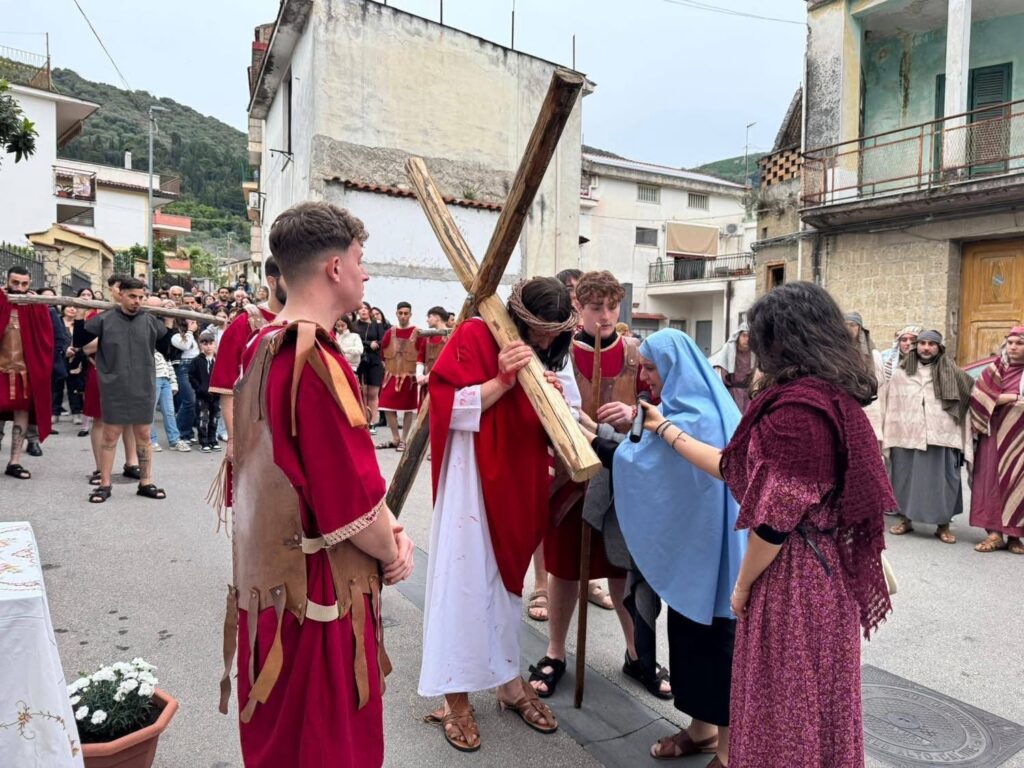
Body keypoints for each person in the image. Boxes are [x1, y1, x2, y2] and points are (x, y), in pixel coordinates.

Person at [641, 281, 894, 767]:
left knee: (784, 708)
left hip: (798, 581)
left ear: (779, 341)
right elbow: (733, 467)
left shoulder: (798, 411)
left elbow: (775, 523)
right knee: (816, 707)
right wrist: (665, 428)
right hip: (828, 577)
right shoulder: (831, 396)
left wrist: (742, 585)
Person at [224, 201, 413, 767]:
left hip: (272, 585)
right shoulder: (313, 360)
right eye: (360, 259)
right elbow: (349, 506)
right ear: (335, 267)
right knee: (324, 747)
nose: (365, 272)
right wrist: (393, 550)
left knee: (282, 741)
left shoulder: (261, 342)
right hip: (315, 592)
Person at [419, 277, 576, 752]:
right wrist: (503, 381)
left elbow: (541, 418)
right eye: (540, 331)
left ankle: (507, 682)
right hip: (471, 481)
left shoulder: (543, 352)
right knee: (463, 583)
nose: (546, 342)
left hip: (519, 480)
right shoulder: (474, 334)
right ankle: (455, 695)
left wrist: (548, 396)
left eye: (554, 334)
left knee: (504, 589)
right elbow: (444, 406)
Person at [608, 328, 745, 766]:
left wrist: (604, 442)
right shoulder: (687, 407)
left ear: (674, 366)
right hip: (696, 552)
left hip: (713, 557)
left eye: (651, 368)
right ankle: (702, 730)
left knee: (718, 648)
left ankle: (729, 752)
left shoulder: (698, 417)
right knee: (690, 642)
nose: (645, 376)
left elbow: (645, 466)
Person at [530, 270, 665, 701]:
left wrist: (634, 412)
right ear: (579, 308)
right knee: (565, 569)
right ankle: (555, 652)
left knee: (623, 569)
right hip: (570, 478)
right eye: (595, 308)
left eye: (611, 306)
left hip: (624, 476)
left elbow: (660, 407)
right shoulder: (561, 352)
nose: (605, 316)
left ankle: (637, 654)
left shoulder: (635, 354)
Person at [206, 256, 286, 516]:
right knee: (255, 518)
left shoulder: (312, 322)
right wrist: (234, 440)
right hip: (256, 433)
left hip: (296, 435)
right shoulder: (245, 323)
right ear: (272, 281)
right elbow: (229, 392)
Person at [83, 277, 174, 503]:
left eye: (141, 297)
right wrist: (78, 315)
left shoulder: (150, 321)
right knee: (110, 436)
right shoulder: (104, 320)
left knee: (143, 435)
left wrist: (170, 320)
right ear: (120, 294)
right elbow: (80, 343)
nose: (137, 301)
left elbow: (167, 349)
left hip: (143, 386)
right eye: (132, 296)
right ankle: (104, 484)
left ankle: (145, 483)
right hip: (114, 387)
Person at [883, 330, 974, 544]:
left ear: (939, 348)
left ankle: (943, 525)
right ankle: (905, 519)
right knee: (904, 479)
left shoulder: (954, 373)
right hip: (906, 434)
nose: (926, 348)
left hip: (942, 434)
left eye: (931, 344)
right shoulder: (901, 374)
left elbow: (966, 404)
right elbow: (891, 404)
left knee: (943, 482)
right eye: (922, 343)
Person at [969, 325, 1024, 555]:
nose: (1013, 347)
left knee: (1018, 483)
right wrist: (1012, 397)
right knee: (990, 481)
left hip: (1020, 440)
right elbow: (979, 398)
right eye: (1010, 343)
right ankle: (994, 533)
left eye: (1019, 343)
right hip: (993, 436)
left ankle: (1014, 536)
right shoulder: (993, 370)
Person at [0, 266, 54, 480]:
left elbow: (45, 339)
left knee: (22, 413)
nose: (19, 288)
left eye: (24, 283)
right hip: (1, 369)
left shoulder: (35, 305)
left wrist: (36, 305)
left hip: (23, 371)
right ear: (7, 280)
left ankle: (14, 462)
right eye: (15, 283)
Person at [376, 302, 418, 450]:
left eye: (406, 313)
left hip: (409, 377)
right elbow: (382, 353)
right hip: (391, 375)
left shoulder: (416, 332)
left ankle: (404, 440)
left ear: (410, 314)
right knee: (386, 405)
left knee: (408, 408)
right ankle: (395, 438)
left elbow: (422, 353)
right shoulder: (390, 332)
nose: (403, 316)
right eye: (400, 313)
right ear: (396, 314)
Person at [845, 311, 885, 442]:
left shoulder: (873, 355)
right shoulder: (837, 352)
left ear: (859, 328)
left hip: (867, 403)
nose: (849, 328)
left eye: (852, 325)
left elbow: (878, 381)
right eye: (845, 325)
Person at [354, 302, 386, 434]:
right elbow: (354, 340)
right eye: (361, 309)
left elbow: (383, 340)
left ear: (370, 311)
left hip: (374, 360)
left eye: (366, 308)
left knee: (373, 393)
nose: (363, 311)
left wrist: (375, 344)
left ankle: (372, 422)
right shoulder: (354, 325)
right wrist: (368, 343)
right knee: (361, 392)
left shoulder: (376, 325)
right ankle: (362, 420)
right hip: (359, 360)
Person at [709, 323, 756, 414]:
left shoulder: (754, 352)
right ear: (738, 336)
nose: (747, 339)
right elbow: (721, 372)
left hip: (749, 394)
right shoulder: (729, 350)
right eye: (744, 336)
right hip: (731, 394)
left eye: (749, 336)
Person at [189, 331, 220, 453]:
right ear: (200, 345)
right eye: (205, 343)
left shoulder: (218, 360)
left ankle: (213, 440)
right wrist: (199, 388)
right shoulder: (196, 361)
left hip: (216, 395)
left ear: (215, 344)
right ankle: (203, 441)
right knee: (203, 418)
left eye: (211, 343)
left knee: (215, 418)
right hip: (202, 395)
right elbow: (191, 376)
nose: (208, 346)